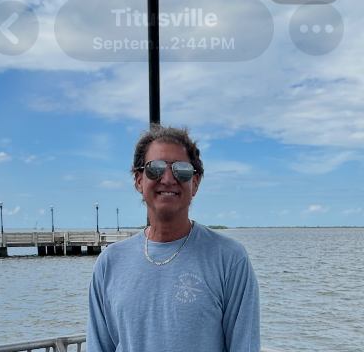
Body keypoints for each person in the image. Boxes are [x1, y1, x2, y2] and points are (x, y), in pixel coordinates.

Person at [87, 125, 260, 352]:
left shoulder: (230, 259)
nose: (168, 179)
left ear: (195, 183)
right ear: (139, 180)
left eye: (182, 170)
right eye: (155, 168)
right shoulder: (109, 263)